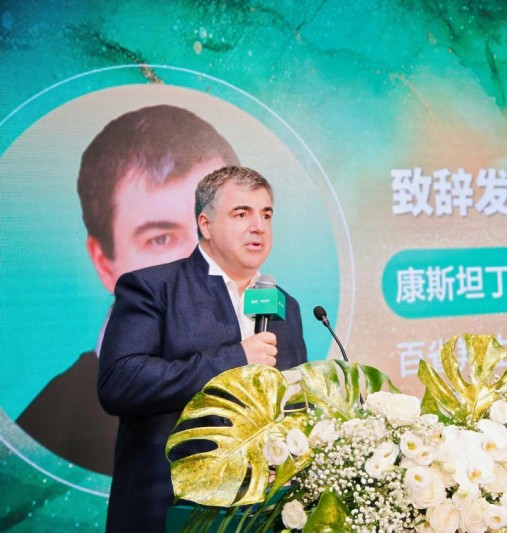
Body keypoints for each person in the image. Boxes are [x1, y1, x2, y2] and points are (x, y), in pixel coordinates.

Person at [16, 105, 240, 474]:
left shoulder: (266, 361)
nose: (198, 259)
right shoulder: (44, 438)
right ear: (105, 263)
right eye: (160, 238)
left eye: (210, 229)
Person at [98, 166, 307, 532]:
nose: (258, 226)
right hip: (167, 509)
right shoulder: (153, 288)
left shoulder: (285, 305)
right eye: (241, 214)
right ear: (206, 225)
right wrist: (236, 359)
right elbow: (120, 382)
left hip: (261, 513)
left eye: (266, 214)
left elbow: (294, 406)